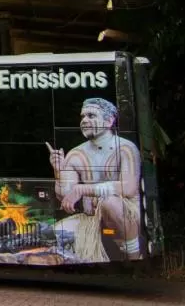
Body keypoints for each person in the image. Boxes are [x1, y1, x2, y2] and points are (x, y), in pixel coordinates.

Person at [47, 97, 142, 261]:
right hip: (90, 219)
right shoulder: (76, 154)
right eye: (82, 116)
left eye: (91, 116)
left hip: (124, 213)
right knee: (53, 235)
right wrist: (59, 172)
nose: (84, 120)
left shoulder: (126, 148)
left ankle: (135, 258)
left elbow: (129, 188)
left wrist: (83, 189)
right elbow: (65, 198)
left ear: (109, 120)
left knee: (109, 203)